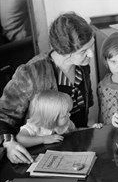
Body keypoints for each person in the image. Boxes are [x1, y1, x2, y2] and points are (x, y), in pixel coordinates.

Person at [0, 12, 95, 164]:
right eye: (84, 51)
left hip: (76, 150)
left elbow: (83, 115)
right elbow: (3, 116)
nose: (91, 54)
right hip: (40, 156)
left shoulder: (82, 67)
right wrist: (9, 143)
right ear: (64, 52)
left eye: (91, 46)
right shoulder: (30, 73)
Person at [16, 90, 102, 148]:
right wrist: (43, 139)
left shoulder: (66, 123)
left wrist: (91, 129)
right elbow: (20, 139)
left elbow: (76, 131)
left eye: (69, 112)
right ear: (50, 118)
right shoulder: (35, 126)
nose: (69, 115)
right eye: (64, 115)